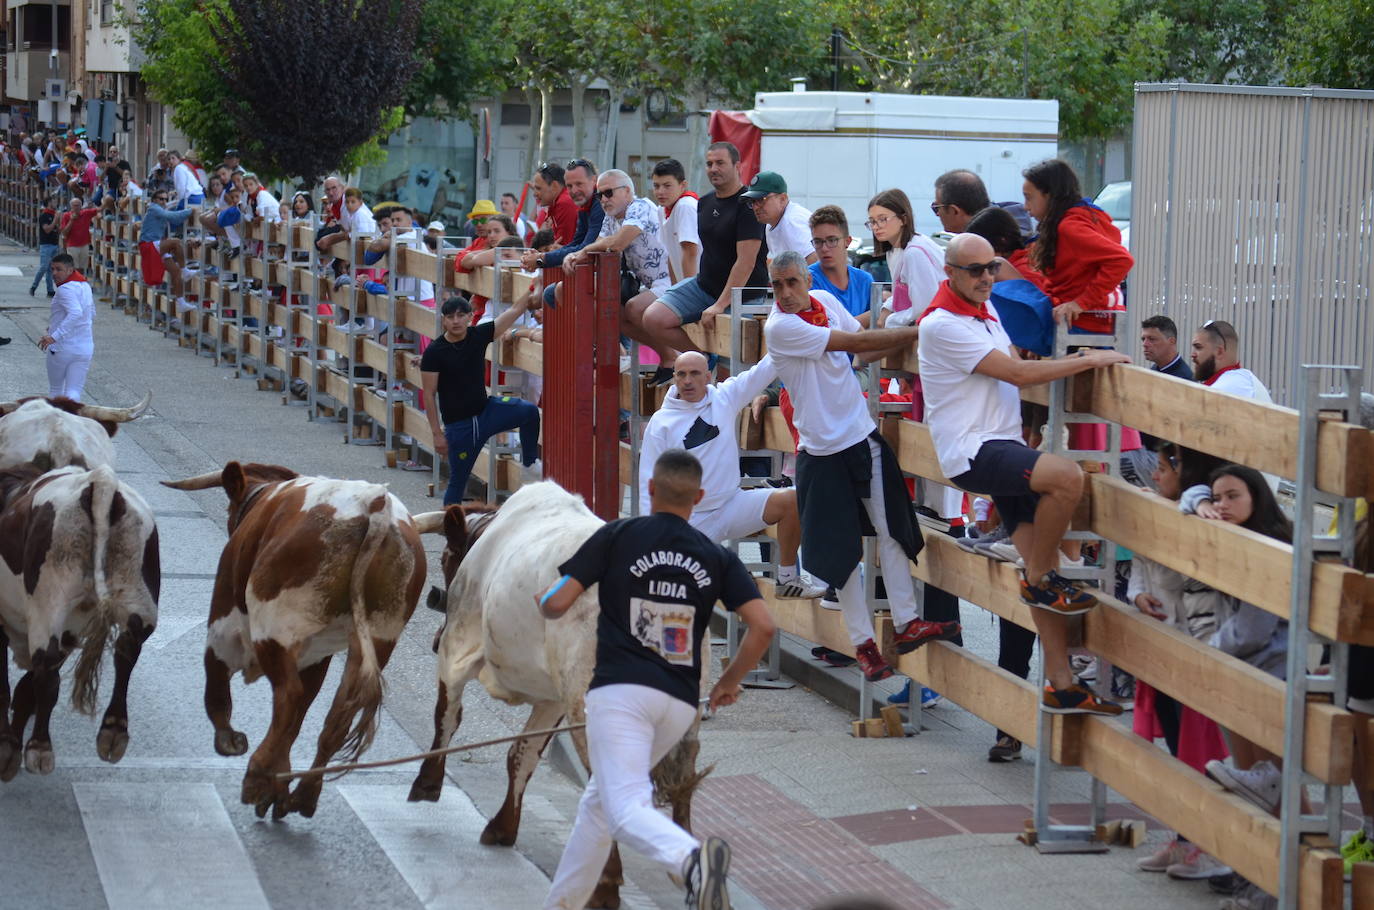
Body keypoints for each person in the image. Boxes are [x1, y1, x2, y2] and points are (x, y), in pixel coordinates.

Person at [539, 448, 773, 910]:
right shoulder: (716, 557)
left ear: (650, 488)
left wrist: (543, 601)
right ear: (699, 497)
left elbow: (558, 602)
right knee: (600, 805)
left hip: (620, 694)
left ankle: (694, 862)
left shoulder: (617, 535)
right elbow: (763, 626)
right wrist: (728, 680)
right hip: (678, 703)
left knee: (625, 812)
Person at [916, 233, 1131, 714]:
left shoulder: (985, 311)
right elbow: (1015, 376)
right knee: (1068, 479)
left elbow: (1014, 366)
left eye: (991, 267)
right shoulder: (942, 324)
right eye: (975, 270)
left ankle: (1061, 682)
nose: (986, 277)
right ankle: (1039, 576)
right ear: (949, 272)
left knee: (1045, 575)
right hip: (974, 452)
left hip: (1001, 446)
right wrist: (1088, 359)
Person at [764, 250, 961, 681]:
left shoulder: (824, 301)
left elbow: (861, 345)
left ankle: (907, 623)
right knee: (842, 553)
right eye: (778, 286)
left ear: (804, 278)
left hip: (858, 437)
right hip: (819, 452)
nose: (787, 293)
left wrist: (903, 324)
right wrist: (917, 331)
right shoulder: (780, 327)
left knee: (892, 529)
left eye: (792, 282)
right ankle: (863, 645)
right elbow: (854, 344)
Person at [639, 351, 825, 599]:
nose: (687, 381)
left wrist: (788, 337)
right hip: (690, 520)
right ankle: (725, 576)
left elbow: (763, 370)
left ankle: (788, 579)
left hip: (731, 504)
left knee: (794, 499)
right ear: (674, 378)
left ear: (708, 376)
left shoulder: (724, 398)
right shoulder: (661, 423)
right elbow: (648, 481)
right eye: (681, 374)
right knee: (681, 591)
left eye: (695, 373)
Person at [637, 142, 768, 384]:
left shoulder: (749, 204)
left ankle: (722, 413)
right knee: (653, 318)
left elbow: (746, 262)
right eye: (709, 164)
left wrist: (720, 305)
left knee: (730, 377)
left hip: (743, 296)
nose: (713, 168)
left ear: (737, 166)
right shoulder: (704, 203)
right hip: (704, 286)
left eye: (720, 163)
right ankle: (703, 357)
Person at [420, 295, 541, 506]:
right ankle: (450, 530)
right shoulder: (434, 352)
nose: (456, 321)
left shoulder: (478, 334)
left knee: (529, 412)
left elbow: (513, 311)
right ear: (443, 321)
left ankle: (530, 466)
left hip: (487, 412)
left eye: (460, 315)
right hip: (460, 427)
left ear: (469, 317)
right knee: (458, 483)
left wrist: (532, 288)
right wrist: (437, 435)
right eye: (450, 317)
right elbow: (429, 394)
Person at [568, 169, 672, 356]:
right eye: (600, 195)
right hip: (650, 285)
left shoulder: (640, 206)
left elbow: (617, 243)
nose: (604, 199)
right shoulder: (611, 216)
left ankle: (679, 355)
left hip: (672, 281)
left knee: (633, 308)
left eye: (609, 193)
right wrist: (574, 256)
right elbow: (597, 247)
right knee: (619, 316)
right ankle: (669, 357)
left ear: (627, 191)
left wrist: (582, 252)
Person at [520, 159, 604, 308]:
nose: (573, 190)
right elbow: (576, 244)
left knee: (548, 295)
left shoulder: (576, 203)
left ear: (594, 181)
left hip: (607, 274)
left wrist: (541, 259)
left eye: (579, 184)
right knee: (548, 294)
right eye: (570, 185)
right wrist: (542, 257)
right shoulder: (584, 203)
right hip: (594, 271)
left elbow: (585, 248)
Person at [868, 188, 943, 327]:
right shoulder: (894, 251)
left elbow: (924, 308)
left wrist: (890, 320)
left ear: (903, 219)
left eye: (882, 219)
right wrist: (887, 308)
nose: (876, 227)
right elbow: (901, 293)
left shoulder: (915, 253)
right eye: (872, 221)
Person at [38, 254, 95, 401]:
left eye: (59, 269)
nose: (54, 273)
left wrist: (54, 335)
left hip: (62, 347)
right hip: (84, 346)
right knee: (74, 391)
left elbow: (75, 313)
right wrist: (55, 325)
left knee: (56, 390)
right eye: (52, 269)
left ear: (70, 270)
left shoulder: (64, 289)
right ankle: (71, 421)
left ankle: (57, 422)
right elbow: (90, 313)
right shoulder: (85, 285)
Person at [805, 206, 874, 325]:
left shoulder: (865, 281)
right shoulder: (806, 280)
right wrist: (874, 313)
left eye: (832, 240)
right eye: (818, 242)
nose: (824, 248)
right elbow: (829, 330)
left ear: (847, 241)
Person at [138, 187, 197, 321]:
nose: (164, 201)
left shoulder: (156, 208)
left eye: (165, 199)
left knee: (175, 273)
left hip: (155, 244)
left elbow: (168, 208)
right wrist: (189, 211)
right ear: (154, 200)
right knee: (176, 243)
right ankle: (185, 269)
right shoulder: (154, 208)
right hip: (149, 244)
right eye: (161, 199)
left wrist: (175, 201)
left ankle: (181, 302)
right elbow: (171, 217)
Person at [740, 171, 815, 264]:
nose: (755, 207)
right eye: (753, 201)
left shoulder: (792, 222)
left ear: (782, 199)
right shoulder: (771, 224)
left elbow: (815, 261)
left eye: (761, 199)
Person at [1189, 319, 1271, 402]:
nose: (1192, 354)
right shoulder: (1244, 380)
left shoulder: (1223, 391)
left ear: (1219, 352)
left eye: (1198, 347)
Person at [651, 158, 699, 283]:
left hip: (699, 287)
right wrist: (674, 290)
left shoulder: (686, 205)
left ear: (683, 185)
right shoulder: (661, 210)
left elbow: (690, 252)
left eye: (667, 186)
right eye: (656, 186)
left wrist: (690, 294)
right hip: (683, 285)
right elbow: (671, 256)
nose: (660, 192)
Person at [529, 161, 579, 246]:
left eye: (538, 188)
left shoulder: (564, 203)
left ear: (554, 186)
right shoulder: (559, 202)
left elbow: (563, 247)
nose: (534, 194)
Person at [932, 169, 991, 234]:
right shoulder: (999, 233)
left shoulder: (971, 243)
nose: (937, 214)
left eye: (936, 208)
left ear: (954, 211)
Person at [1141, 315, 1193, 380]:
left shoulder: (1185, 380)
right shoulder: (1156, 369)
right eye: (1143, 339)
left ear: (1172, 341)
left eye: (1152, 339)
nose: (1145, 344)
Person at [59, 197, 100, 274]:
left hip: (84, 244)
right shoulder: (66, 216)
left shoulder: (85, 213)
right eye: (74, 205)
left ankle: (80, 283)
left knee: (83, 268)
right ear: (71, 206)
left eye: (78, 205)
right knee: (74, 268)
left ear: (81, 206)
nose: (76, 207)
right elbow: (64, 233)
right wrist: (71, 220)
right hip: (72, 245)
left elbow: (98, 210)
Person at [30, 194, 60, 298]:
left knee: (50, 269)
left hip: (54, 243)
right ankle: (34, 286)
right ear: (49, 203)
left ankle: (50, 290)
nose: (56, 203)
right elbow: (47, 230)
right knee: (43, 267)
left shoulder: (54, 214)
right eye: (54, 201)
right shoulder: (44, 216)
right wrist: (55, 221)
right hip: (46, 244)